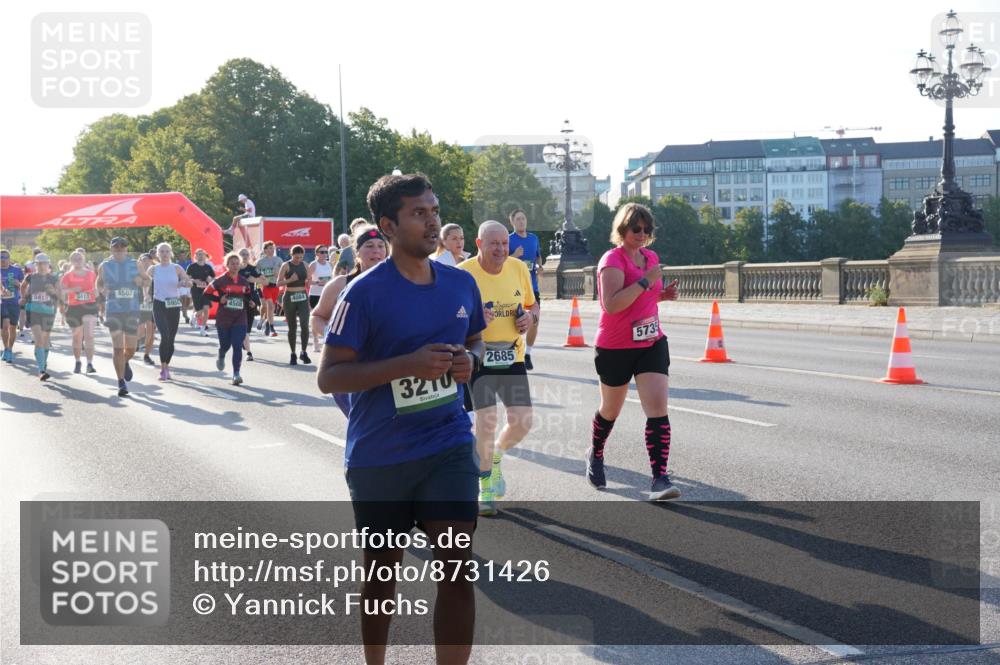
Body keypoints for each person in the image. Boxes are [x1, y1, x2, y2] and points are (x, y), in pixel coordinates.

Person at [317, 173, 484, 665]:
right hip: (381, 456)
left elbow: (474, 339)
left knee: (456, 568)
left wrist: (469, 361)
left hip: (447, 444)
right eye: (419, 213)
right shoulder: (363, 294)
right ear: (388, 226)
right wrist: (408, 365)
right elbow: (330, 377)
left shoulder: (460, 282)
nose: (432, 222)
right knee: (381, 571)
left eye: (434, 211)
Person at [590, 203, 680, 501]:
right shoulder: (612, 260)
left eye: (647, 229)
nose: (642, 234)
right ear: (623, 229)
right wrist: (645, 281)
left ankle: (659, 478)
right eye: (636, 229)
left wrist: (662, 295)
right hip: (615, 346)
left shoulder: (650, 258)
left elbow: (645, 299)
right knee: (610, 411)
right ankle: (596, 452)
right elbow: (612, 305)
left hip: (651, 341)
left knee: (657, 410)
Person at [458, 221, 538, 516]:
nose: (501, 249)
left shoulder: (518, 268)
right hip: (478, 356)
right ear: (479, 244)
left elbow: (532, 305)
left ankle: (495, 458)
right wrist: (475, 319)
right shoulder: (463, 274)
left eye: (504, 243)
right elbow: (451, 318)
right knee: (486, 422)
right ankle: (485, 487)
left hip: (511, 356)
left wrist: (528, 319)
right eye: (494, 244)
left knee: (522, 421)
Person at [310, 225, 387, 416]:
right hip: (349, 369)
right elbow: (317, 316)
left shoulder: (400, 283)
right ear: (357, 252)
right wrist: (334, 334)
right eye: (369, 245)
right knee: (363, 424)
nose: (376, 251)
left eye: (380, 245)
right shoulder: (340, 285)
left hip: (386, 368)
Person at [97, 236, 150, 397]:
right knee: (118, 347)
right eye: (116, 247)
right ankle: (121, 382)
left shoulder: (136, 264)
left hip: (131, 309)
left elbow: (148, 280)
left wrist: (140, 281)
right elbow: (98, 282)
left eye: (122, 247)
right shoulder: (105, 265)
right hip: (113, 309)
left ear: (126, 249)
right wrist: (102, 290)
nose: (119, 249)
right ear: (111, 249)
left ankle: (126, 361)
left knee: (131, 349)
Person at [205, 252, 255, 385]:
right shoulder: (221, 280)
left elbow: (248, 295)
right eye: (232, 263)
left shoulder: (244, 281)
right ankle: (221, 354)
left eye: (237, 263)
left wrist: (250, 302)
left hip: (240, 317)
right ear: (227, 265)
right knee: (225, 345)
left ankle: (236, 374)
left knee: (237, 345)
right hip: (224, 317)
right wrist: (219, 299)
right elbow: (206, 293)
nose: (235, 266)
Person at [147, 243, 192, 381]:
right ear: (158, 254)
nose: (165, 254)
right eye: (162, 251)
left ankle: (167, 366)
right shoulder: (153, 269)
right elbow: (146, 283)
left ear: (170, 253)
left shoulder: (176, 268)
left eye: (167, 251)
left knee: (171, 339)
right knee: (164, 335)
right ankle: (162, 368)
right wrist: (146, 294)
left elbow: (188, 281)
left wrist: (185, 283)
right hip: (159, 304)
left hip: (173, 305)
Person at [508, 209, 544, 370]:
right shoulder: (508, 240)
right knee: (512, 323)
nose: (522, 221)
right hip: (512, 287)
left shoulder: (533, 238)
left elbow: (537, 256)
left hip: (532, 287)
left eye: (524, 218)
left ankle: (527, 353)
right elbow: (501, 262)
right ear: (512, 222)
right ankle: (512, 352)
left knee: (534, 321)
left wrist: (539, 266)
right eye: (518, 219)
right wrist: (514, 255)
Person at [21, 253, 60, 380]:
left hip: (49, 312)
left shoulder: (53, 278)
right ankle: (41, 370)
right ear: (36, 265)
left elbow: (60, 292)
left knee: (45, 339)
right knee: (39, 339)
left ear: (48, 264)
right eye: (39, 264)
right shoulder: (30, 277)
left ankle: (42, 361)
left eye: (44, 263)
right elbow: (22, 286)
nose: (42, 266)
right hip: (34, 311)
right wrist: (23, 297)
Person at [60, 250, 99, 373]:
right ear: (71, 261)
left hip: (89, 306)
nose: (78, 261)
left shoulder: (91, 274)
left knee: (89, 335)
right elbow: (61, 291)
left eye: (80, 259)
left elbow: (97, 289)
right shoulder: (67, 275)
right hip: (74, 308)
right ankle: (78, 361)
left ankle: (90, 364)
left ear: (83, 259)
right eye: (75, 259)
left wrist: (95, 292)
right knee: (77, 337)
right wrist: (73, 290)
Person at [277, 244, 312, 365]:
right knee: (292, 327)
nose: (298, 260)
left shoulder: (305, 265)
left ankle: (303, 352)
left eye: (301, 257)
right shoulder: (286, 265)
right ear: (292, 255)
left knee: (305, 325)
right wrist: (289, 280)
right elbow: (278, 283)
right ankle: (293, 353)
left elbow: (309, 281)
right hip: (289, 297)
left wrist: (309, 281)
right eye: (296, 257)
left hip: (302, 296)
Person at [237, 248, 263, 362]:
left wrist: (254, 280)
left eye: (246, 254)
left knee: (247, 327)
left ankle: (245, 341)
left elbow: (264, 280)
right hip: (237, 300)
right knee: (241, 326)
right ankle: (249, 352)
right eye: (242, 254)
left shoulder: (253, 269)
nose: (245, 256)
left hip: (251, 299)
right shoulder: (234, 268)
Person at [307, 244, 334, 352]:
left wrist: (329, 283)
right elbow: (308, 282)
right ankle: (315, 341)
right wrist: (318, 282)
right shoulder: (313, 265)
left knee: (328, 318)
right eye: (321, 252)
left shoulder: (330, 265)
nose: (324, 254)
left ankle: (325, 339)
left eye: (325, 252)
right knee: (315, 317)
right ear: (317, 254)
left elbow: (333, 278)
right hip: (315, 295)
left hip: (327, 294)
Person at [1, 249, 24, 363]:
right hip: (2, 303)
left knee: (12, 327)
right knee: (5, 326)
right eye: (1, 257)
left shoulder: (16, 270)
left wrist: (18, 284)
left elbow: (23, 285)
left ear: (9, 259)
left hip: (14, 302)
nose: (3, 259)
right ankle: (5, 349)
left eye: (5, 257)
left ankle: (10, 349)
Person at [255, 241, 282, 337]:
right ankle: (271, 327)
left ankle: (267, 322)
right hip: (266, 286)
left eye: (273, 248)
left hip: (275, 286)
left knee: (272, 307)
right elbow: (256, 274)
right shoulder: (260, 262)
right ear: (265, 250)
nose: (272, 250)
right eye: (270, 248)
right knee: (269, 306)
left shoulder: (278, 259)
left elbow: (283, 272)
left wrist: (278, 272)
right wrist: (261, 279)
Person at [186, 249, 215, 336]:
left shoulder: (208, 267)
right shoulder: (191, 267)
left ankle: (202, 329)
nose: (201, 256)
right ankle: (194, 316)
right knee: (199, 311)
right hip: (195, 291)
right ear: (195, 256)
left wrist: (210, 279)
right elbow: (187, 278)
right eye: (199, 254)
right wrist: (195, 281)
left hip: (206, 290)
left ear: (205, 256)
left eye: (202, 254)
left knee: (206, 309)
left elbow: (213, 278)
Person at [136, 253, 157, 366]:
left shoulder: (156, 272)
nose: (146, 262)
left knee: (151, 327)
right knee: (141, 328)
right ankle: (137, 341)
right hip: (138, 302)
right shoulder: (135, 273)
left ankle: (146, 355)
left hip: (153, 302)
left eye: (148, 260)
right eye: (143, 260)